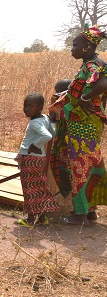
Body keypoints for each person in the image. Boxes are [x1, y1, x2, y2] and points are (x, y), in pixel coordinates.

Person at [49, 25, 107, 225]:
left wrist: (84, 97)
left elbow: (102, 85)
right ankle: (90, 211)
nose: (72, 49)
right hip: (89, 125)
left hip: (82, 126)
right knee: (91, 166)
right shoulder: (94, 63)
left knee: (79, 168)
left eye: (75, 45)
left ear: (88, 46)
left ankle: (80, 214)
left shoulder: (92, 65)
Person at [15, 93, 59, 226]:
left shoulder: (34, 123)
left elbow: (47, 136)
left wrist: (34, 145)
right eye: (25, 106)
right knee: (39, 187)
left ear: (39, 107)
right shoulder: (44, 118)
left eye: (30, 106)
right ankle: (42, 217)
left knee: (29, 189)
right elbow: (53, 132)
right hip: (39, 159)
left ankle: (29, 219)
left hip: (30, 159)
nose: (26, 109)